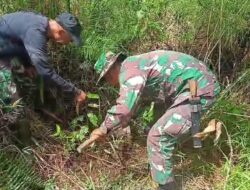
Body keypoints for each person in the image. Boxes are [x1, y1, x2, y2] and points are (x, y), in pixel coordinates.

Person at [79, 50, 220, 190]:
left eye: (106, 79)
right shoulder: (134, 65)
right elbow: (135, 106)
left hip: (199, 88)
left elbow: (124, 109)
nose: (109, 83)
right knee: (152, 127)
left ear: (110, 72)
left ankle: (166, 186)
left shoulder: (130, 72)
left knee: (157, 136)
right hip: (188, 87)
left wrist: (103, 128)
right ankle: (176, 157)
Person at [0, 11, 86, 108]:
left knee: (23, 81)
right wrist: (75, 92)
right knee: (11, 104)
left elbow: (19, 41)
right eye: (71, 40)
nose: (69, 43)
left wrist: (27, 64)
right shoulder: (36, 33)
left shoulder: (40, 23)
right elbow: (45, 72)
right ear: (61, 32)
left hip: (6, 50)